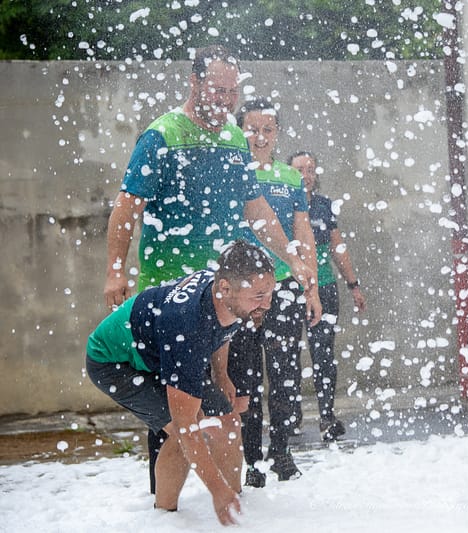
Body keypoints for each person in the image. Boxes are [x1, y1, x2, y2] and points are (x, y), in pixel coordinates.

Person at [101, 45, 316, 493]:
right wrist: (115, 269)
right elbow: (126, 207)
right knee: (173, 410)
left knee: (224, 397)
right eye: (217, 90)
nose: (225, 100)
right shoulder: (162, 135)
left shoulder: (235, 140)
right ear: (194, 83)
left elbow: (255, 208)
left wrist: (291, 255)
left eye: (232, 91)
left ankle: (227, 497)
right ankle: (167, 508)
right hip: (170, 295)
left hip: (220, 295)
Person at [86, 240, 276, 526]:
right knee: (185, 430)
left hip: (160, 350)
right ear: (225, 288)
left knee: (227, 422)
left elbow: (221, 330)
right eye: (260, 295)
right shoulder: (187, 326)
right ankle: (164, 518)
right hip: (114, 363)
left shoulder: (233, 299)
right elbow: (187, 426)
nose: (268, 303)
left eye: (270, 292)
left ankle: (236, 501)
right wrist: (215, 491)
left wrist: (221, 374)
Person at [229, 98, 320, 487]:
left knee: (283, 373)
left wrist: (310, 287)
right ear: (239, 131)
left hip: (284, 287)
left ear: (277, 133)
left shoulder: (289, 177)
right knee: (243, 376)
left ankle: (281, 451)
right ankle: (250, 459)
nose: (260, 137)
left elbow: (303, 234)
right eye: (252, 129)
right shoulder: (233, 173)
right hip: (243, 293)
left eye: (268, 129)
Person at [290, 151, 367, 442]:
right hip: (290, 288)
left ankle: (326, 417)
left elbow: (338, 247)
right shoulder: (283, 203)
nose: (306, 175)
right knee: (288, 357)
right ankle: (292, 416)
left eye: (310, 169)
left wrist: (353, 284)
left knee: (323, 353)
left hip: (324, 287)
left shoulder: (323, 206)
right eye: (299, 169)